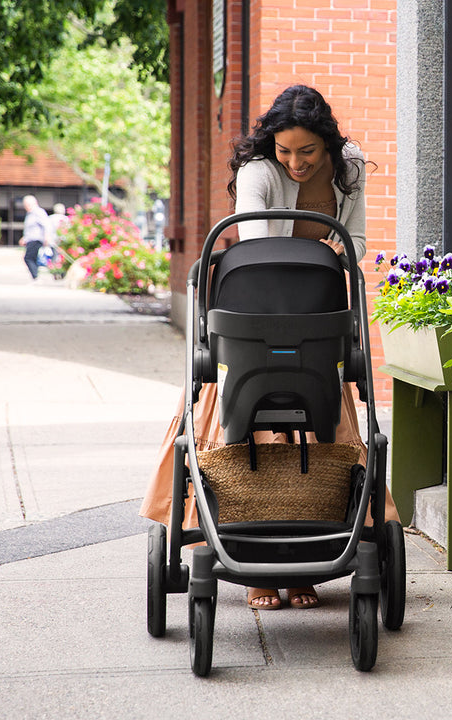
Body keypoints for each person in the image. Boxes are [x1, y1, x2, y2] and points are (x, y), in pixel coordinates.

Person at [139, 85, 399, 611]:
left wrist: (338, 253)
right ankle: (256, 568)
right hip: (257, 313)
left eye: (307, 151)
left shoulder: (349, 169)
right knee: (245, 432)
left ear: (327, 144)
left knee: (321, 436)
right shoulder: (258, 171)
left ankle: (307, 564)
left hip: (319, 317)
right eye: (285, 151)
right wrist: (312, 256)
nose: (296, 163)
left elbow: (360, 240)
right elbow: (256, 241)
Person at [18, 195, 50, 280]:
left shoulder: (38, 212)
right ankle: (35, 276)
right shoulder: (30, 214)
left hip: (36, 239)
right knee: (32, 258)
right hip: (31, 239)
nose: (26, 207)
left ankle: (35, 276)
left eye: (27, 205)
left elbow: (46, 225)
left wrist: (47, 237)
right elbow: (29, 229)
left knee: (28, 258)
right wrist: (25, 238)